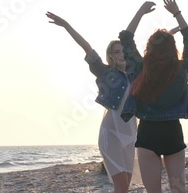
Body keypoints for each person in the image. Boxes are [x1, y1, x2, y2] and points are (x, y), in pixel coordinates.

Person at [119, 0, 188, 193]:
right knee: (179, 189)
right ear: (172, 48)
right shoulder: (181, 69)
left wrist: (140, 12)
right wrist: (177, 13)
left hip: (147, 134)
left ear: (149, 48)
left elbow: (126, 38)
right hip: (172, 134)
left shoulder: (140, 68)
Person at [46, 11, 139, 193]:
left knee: (124, 188)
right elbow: (87, 47)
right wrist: (66, 25)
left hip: (131, 136)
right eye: (116, 52)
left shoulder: (136, 76)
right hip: (110, 134)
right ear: (111, 56)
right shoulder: (105, 72)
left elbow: (153, 57)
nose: (121, 55)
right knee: (121, 188)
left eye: (123, 51)